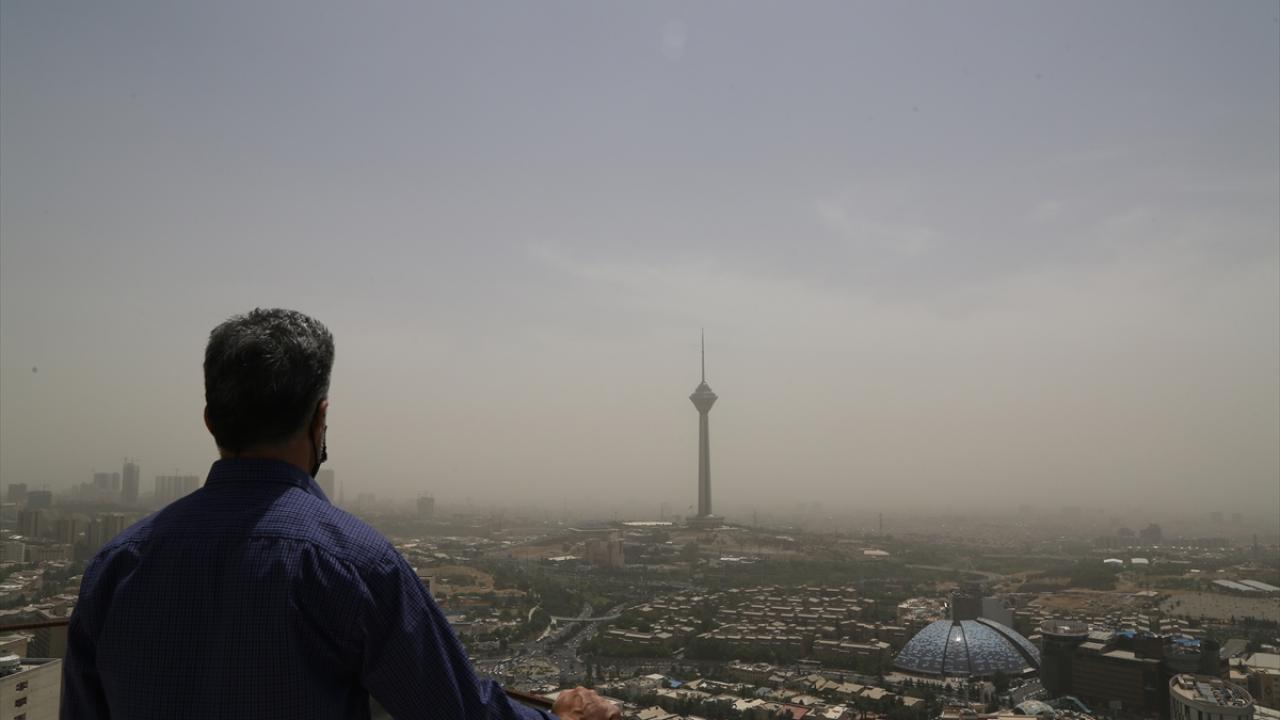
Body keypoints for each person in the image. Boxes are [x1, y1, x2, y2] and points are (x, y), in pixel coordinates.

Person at [62, 308, 619, 720]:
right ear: (320, 418)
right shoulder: (351, 563)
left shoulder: (116, 564)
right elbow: (453, 710)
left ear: (210, 420)